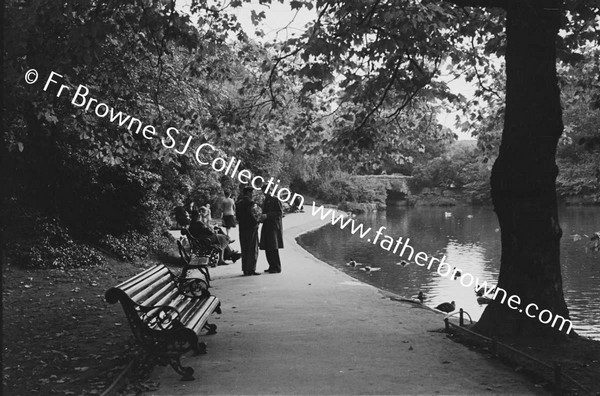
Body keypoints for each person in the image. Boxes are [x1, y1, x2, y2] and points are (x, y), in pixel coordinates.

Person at [235, 186, 261, 276]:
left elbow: (237, 217)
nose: (252, 194)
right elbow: (254, 215)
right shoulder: (251, 203)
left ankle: (245, 269)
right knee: (252, 248)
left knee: (244, 247)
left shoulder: (238, 203)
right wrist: (256, 223)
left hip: (242, 228)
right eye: (252, 192)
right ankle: (251, 269)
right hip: (251, 228)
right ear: (249, 193)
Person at [259, 184, 284, 273]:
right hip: (267, 225)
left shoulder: (275, 199)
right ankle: (271, 265)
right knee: (267, 246)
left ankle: (277, 267)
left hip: (274, 226)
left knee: (273, 246)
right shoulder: (266, 200)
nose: (264, 193)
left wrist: (267, 216)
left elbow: (279, 213)